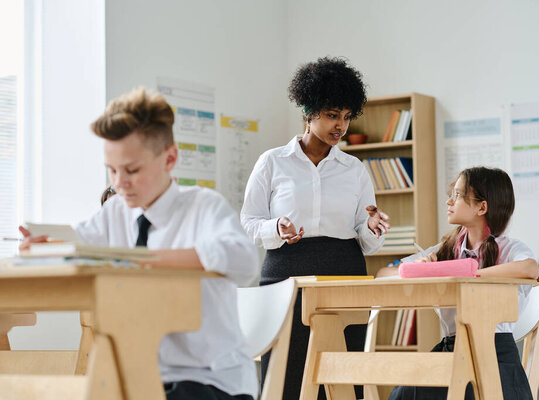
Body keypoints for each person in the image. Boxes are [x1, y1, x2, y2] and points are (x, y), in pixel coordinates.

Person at [20, 87, 260, 400]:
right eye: (112, 170)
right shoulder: (114, 212)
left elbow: (245, 260)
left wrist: (144, 261)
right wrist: (42, 249)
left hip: (209, 380)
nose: (120, 183)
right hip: (140, 377)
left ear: (170, 158)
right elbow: (77, 244)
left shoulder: (203, 207)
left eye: (132, 170)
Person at [240, 56, 390, 399]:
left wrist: (370, 227)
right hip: (286, 275)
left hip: (344, 274)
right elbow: (248, 221)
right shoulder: (272, 162)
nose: (340, 125)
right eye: (332, 115)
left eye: (346, 117)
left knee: (343, 375)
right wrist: (276, 228)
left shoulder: (354, 170)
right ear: (309, 112)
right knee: (286, 375)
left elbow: (367, 243)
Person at [379, 166, 538, 400]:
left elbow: (530, 268)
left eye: (458, 195)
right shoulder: (445, 250)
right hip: (452, 352)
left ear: (481, 207)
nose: (448, 201)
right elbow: (383, 274)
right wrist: (420, 268)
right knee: (402, 395)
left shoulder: (509, 248)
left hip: (497, 355)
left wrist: (467, 276)